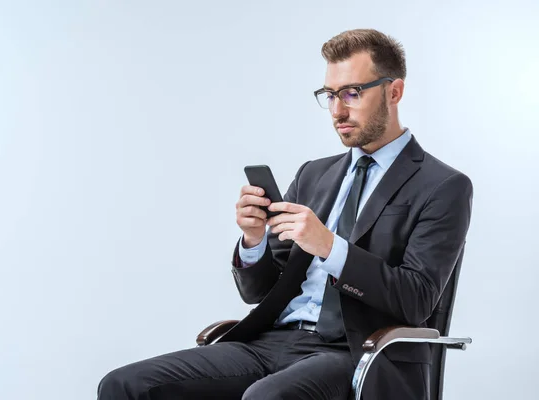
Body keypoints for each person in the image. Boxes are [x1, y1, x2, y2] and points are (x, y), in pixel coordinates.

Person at [97, 28, 473, 400]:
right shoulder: (314, 174)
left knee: (266, 397)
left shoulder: (443, 186)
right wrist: (253, 240)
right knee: (123, 385)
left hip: (355, 352)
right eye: (329, 95)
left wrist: (330, 247)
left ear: (394, 91)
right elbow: (259, 292)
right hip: (270, 341)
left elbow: (418, 300)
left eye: (352, 93)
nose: (337, 110)